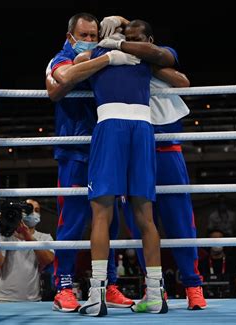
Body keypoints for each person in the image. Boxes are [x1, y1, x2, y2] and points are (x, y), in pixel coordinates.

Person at [78, 19, 177, 316]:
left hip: (111, 127)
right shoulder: (145, 57)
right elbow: (177, 75)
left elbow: (64, 79)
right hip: (142, 129)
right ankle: (155, 293)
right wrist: (113, 49)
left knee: (101, 212)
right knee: (145, 215)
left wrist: (109, 49)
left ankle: (97, 295)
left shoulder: (95, 54)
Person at [46, 12, 138, 312]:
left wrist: (119, 21)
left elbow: (137, 32)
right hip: (73, 151)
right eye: (83, 35)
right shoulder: (60, 57)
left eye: (93, 35)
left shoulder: (103, 48)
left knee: (109, 223)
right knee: (71, 222)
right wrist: (105, 58)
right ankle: (63, 286)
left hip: (106, 150)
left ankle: (108, 284)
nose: (88, 40)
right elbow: (58, 85)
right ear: (70, 36)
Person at [0, 199, 55, 302]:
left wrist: (28, 237)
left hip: (33, 299)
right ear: (21, 213)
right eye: (30, 210)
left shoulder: (45, 237)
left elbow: (47, 260)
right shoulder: (6, 236)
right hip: (4, 299)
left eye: (37, 210)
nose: (34, 213)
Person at [198, 229, 236, 298]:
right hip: (207, 300)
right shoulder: (202, 263)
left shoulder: (232, 262)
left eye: (220, 238)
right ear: (208, 242)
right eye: (214, 239)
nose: (217, 241)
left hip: (230, 300)